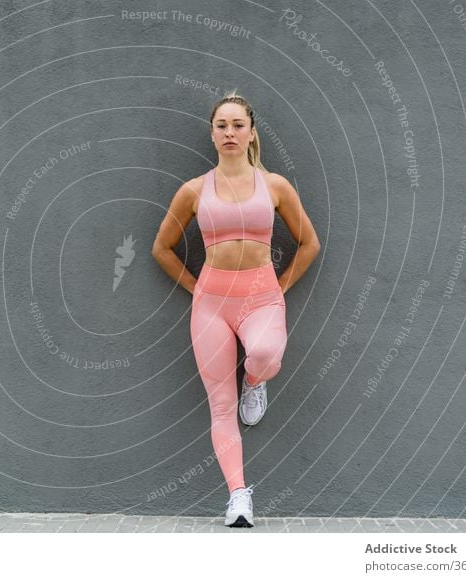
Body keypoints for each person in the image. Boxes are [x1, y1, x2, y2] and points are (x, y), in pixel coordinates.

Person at [151, 91, 320, 527]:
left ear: (250, 133)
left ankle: (254, 380)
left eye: (237, 125)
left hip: (261, 295)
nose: (229, 132)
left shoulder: (275, 186)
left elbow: (309, 243)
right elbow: (162, 249)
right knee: (220, 406)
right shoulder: (193, 191)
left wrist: (279, 287)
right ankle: (238, 497)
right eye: (221, 125)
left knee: (265, 354)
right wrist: (197, 288)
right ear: (212, 134)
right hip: (211, 303)